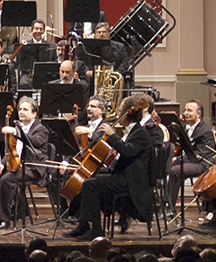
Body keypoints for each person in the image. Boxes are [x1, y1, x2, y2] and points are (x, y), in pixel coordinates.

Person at [65, 94, 154, 241]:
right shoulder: (132, 131)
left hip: (133, 181)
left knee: (91, 184)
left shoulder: (140, 133)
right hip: (124, 176)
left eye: (120, 111)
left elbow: (127, 150)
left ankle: (95, 229)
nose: (118, 114)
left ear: (128, 114)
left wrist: (112, 135)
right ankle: (84, 225)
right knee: (89, 180)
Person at [0, 97, 49, 229]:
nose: (21, 112)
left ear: (34, 114)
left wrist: (16, 132)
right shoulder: (18, 127)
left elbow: (35, 142)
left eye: (25, 109)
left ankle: (4, 219)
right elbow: (12, 150)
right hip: (15, 165)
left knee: (7, 179)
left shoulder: (41, 129)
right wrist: (2, 164)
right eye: (20, 109)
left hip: (32, 167)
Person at [165, 100, 215, 218]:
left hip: (202, 163)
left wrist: (179, 159)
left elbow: (200, 154)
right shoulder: (185, 128)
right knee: (165, 166)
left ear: (198, 114)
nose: (186, 113)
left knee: (175, 171)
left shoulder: (205, 131)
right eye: (185, 110)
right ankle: (165, 204)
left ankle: (170, 208)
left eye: (190, 110)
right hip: (189, 160)